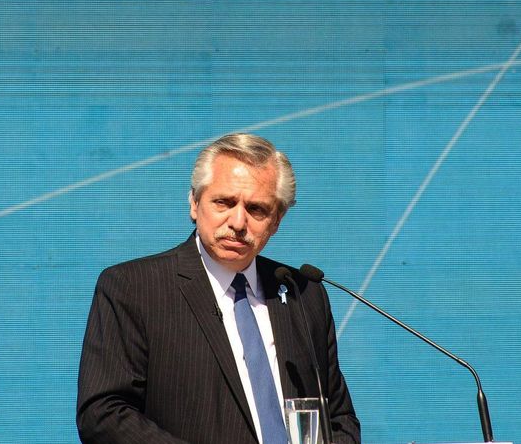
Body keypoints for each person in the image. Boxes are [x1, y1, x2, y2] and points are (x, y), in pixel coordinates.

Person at [77, 133, 360, 443]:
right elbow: (103, 414)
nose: (238, 222)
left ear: (277, 220)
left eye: (256, 209)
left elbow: (339, 418)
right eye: (224, 202)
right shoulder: (133, 288)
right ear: (195, 204)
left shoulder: (303, 294)